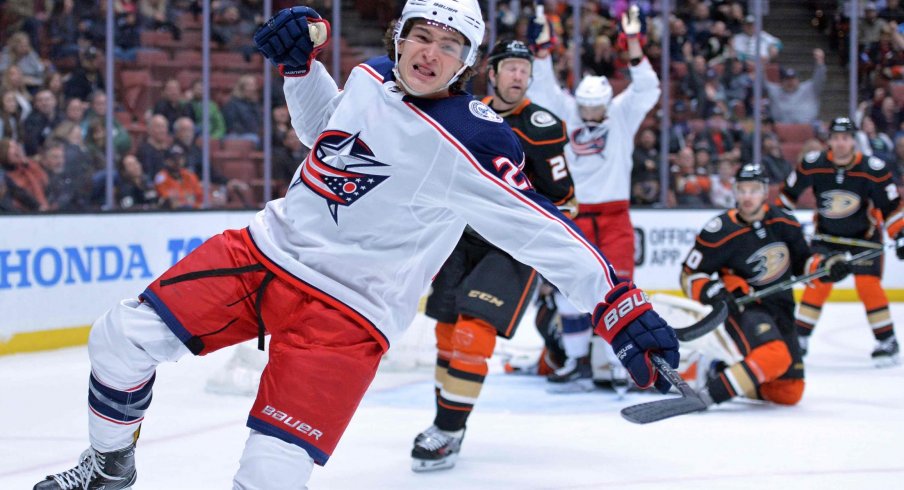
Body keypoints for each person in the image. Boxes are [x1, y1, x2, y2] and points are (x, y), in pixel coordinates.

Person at [33, 2, 680, 489]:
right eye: (421, 35)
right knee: (118, 338)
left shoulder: (477, 140)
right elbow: (326, 131)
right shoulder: (371, 77)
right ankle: (107, 464)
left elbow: (542, 229)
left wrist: (618, 304)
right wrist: (299, 68)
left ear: (468, 61)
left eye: (449, 44)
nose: (429, 53)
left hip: (347, 316)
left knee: (270, 474)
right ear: (400, 37)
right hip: (262, 256)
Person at [411, 38, 576, 472]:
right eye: (512, 67)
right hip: (458, 237)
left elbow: (565, 199)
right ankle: (448, 423)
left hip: (512, 245)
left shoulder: (543, 125)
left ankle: (446, 431)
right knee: (446, 333)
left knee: (473, 331)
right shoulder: (463, 111)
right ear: (494, 72)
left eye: (526, 69)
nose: (519, 75)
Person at [525, 5, 661, 385]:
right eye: (585, 107)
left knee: (620, 291)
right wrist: (541, 52)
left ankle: (616, 364)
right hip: (575, 212)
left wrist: (633, 45)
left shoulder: (620, 115)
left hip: (615, 215)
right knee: (572, 288)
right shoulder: (567, 111)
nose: (589, 114)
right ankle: (574, 359)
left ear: (606, 103)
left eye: (595, 108)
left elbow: (648, 89)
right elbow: (542, 89)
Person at [680, 163, 851, 409]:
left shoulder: (785, 223)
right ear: (735, 192)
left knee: (789, 391)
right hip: (744, 307)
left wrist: (828, 268)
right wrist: (711, 290)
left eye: (754, 190)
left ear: (764, 192)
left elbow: (804, 263)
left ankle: (720, 372)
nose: (748, 197)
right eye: (743, 190)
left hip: (781, 306)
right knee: (774, 356)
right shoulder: (718, 231)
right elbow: (688, 277)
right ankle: (709, 394)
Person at [779, 117, 903, 366]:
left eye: (845, 138)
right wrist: (780, 229)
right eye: (836, 138)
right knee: (818, 283)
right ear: (830, 140)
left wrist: (900, 234)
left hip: (864, 239)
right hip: (827, 238)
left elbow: (890, 208)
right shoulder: (814, 164)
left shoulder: (873, 169)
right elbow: (786, 198)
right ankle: (800, 339)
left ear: (853, 141)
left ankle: (887, 340)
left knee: (869, 286)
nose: (840, 143)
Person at [765, 49, 826, 125]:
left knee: (819, 126)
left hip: (808, 127)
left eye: (792, 79)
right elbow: (760, 84)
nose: (790, 82)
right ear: (782, 81)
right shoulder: (775, 90)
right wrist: (763, 63)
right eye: (787, 79)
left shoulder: (809, 88)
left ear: (798, 80)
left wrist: (820, 63)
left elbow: (820, 78)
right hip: (781, 129)